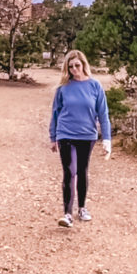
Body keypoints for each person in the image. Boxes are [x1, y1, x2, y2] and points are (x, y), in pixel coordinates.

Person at [48, 49, 111, 228]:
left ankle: (82, 208)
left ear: (84, 65)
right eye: (71, 66)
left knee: (82, 172)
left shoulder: (95, 86)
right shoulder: (63, 89)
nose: (74, 69)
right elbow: (55, 113)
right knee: (69, 171)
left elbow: (103, 114)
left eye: (77, 65)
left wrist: (107, 139)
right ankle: (67, 214)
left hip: (87, 135)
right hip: (66, 134)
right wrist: (53, 137)